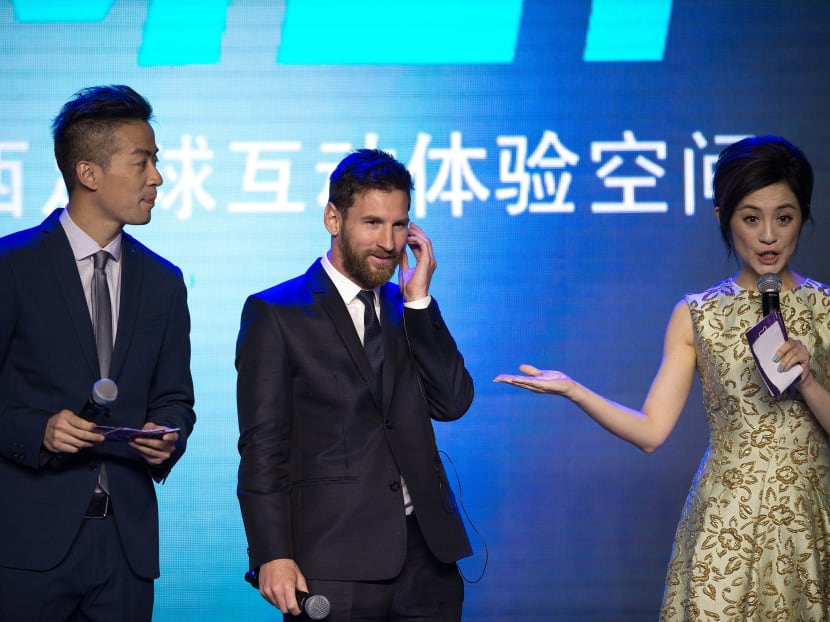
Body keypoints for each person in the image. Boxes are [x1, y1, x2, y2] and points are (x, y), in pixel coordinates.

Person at [495, 135, 830, 620]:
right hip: (727, 525)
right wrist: (574, 389)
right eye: (751, 218)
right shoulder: (697, 315)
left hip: (811, 521)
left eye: (785, 217)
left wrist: (808, 382)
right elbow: (652, 431)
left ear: (803, 216)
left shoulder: (824, 308)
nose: (769, 236)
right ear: (724, 218)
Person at [236, 148, 474, 621]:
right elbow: (262, 447)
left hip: (427, 560)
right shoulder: (276, 313)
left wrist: (421, 301)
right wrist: (271, 553)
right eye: (372, 223)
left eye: (400, 224)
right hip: (332, 561)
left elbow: (451, 403)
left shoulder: (409, 308)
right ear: (333, 218)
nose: (388, 242)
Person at [0, 85, 196, 621]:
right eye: (142, 162)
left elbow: (177, 397)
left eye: (155, 161)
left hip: (126, 551)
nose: (156, 177)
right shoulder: (12, 266)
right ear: (88, 173)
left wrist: (167, 434)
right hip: (26, 549)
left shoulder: (163, 281)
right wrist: (38, 430)